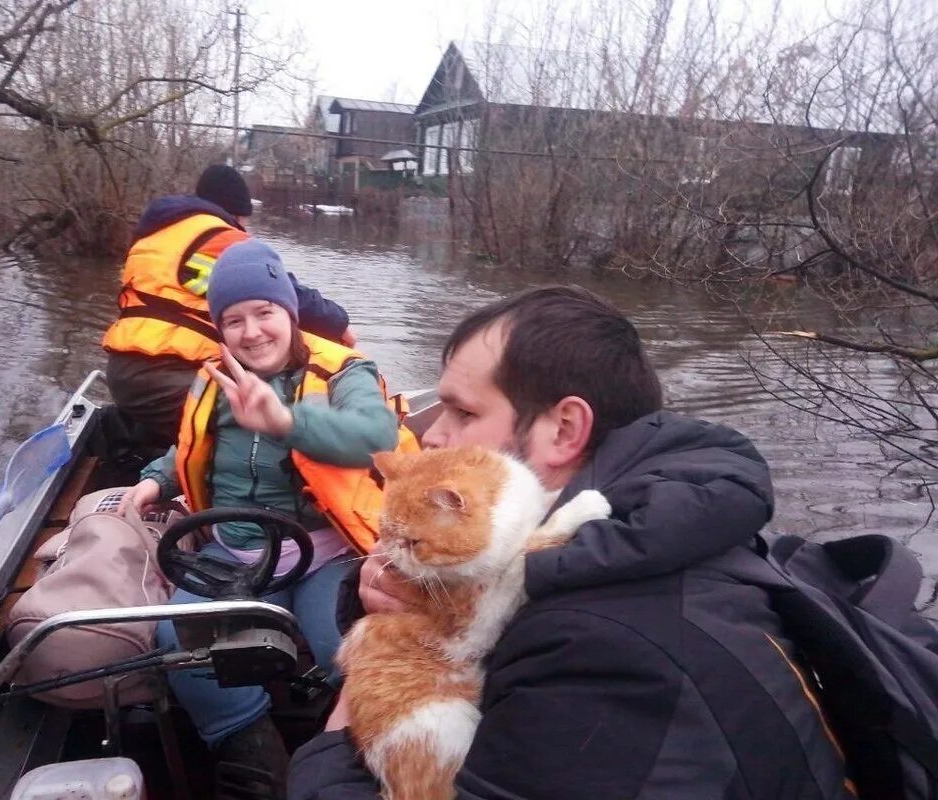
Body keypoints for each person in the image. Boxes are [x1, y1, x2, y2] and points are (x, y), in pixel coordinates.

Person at [289, 286, 855, 799]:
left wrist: (333, 743)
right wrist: (388, 599)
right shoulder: (653, 527)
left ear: (563, 430)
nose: (429, 433)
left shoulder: (602, 647)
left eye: (463, 412)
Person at [123, 238, 414, 800]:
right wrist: (156, 479)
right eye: (233, 320)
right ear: (219, 327)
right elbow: (186, 443)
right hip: (231, 550)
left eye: (265, 313)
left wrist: (284, 421)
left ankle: (361, 761)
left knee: (346, 645)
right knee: (179, 639)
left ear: (290, 313)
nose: (251, 331)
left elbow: (376, 437)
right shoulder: (212, 378)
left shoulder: (346, 371)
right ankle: (254, 760)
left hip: (325, 550)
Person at [101, 164, 355, 452]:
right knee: (266, 433)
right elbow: (280, 289)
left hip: (125, 370)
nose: (244, 228)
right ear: (233, 213)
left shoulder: (158, 234)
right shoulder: (217, 237)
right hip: (166, 375)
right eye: (244, 220)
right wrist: (339, 323)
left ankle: (133, 439)